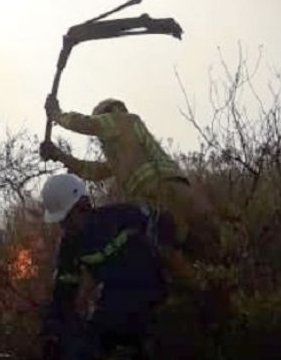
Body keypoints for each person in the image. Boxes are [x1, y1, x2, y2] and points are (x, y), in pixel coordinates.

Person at [40, 173, 176, 360]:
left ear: (83, 206)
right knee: (81, 349)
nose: (65, 227)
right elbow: (63, 294)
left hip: (152, 298)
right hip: (111, 307)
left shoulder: (124, 215)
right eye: (61, 222)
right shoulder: (70, 245)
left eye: (68, 219)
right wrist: (51, 332)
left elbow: (168, 229)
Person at [40, 97, 216, 255]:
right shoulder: (123, 154)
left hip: (168, 192)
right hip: (158, 202)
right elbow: (91, 171)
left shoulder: (124, 121)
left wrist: (56, 114)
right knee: (191, 252)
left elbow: (88, 124)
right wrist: (58, 155)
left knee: (201, 243)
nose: (101, 140)